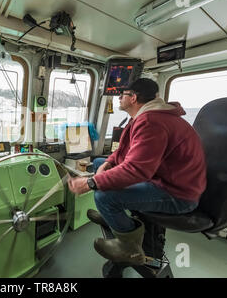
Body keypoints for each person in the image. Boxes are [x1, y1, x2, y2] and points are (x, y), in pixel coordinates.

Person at [67, 78, 207, 265]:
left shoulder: (151, 122)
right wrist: (107, 163)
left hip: (178, 194)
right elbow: (125, 153)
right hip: (164, 178)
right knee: (99, 161)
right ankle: (113, 216)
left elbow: (137, 170)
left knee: (104, 197)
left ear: (133, 97)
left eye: (122, 94)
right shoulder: (148, 116)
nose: (118, 98)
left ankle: (130, 248)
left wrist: (91, 182)